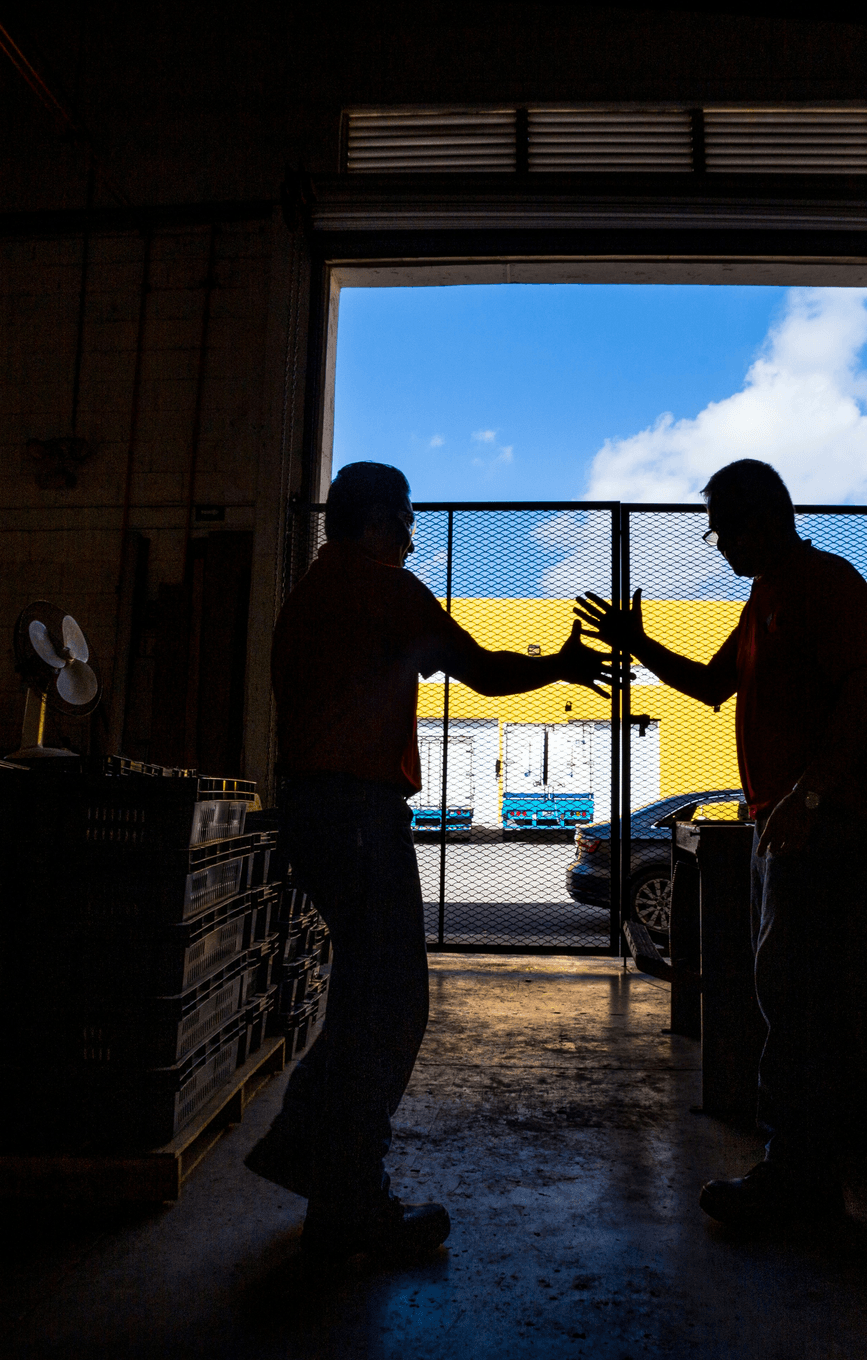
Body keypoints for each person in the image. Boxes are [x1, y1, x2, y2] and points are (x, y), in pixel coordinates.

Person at [247, 461, 611, 1258]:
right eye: (405, 519)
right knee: (390, 1004)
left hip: (314, 809)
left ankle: (310, 1155)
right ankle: (350, 1203)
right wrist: (560, 664)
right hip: (358, 815)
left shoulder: (310, 594)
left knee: (360, 996)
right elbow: (479, 668)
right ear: (375, 521)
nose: (413, 535)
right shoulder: (382, 589)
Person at [573, 458, 867, 1228]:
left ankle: (801, 1179)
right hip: (784, 823)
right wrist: (640, 643)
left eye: (722, 526)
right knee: (793, 991)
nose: (716, 543)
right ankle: (814, 1163)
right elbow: (714, 687)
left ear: (764, 517)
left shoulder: (827, 583)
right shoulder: (761, 602)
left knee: (796, 994)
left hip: (821, 822)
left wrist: (808, 796)